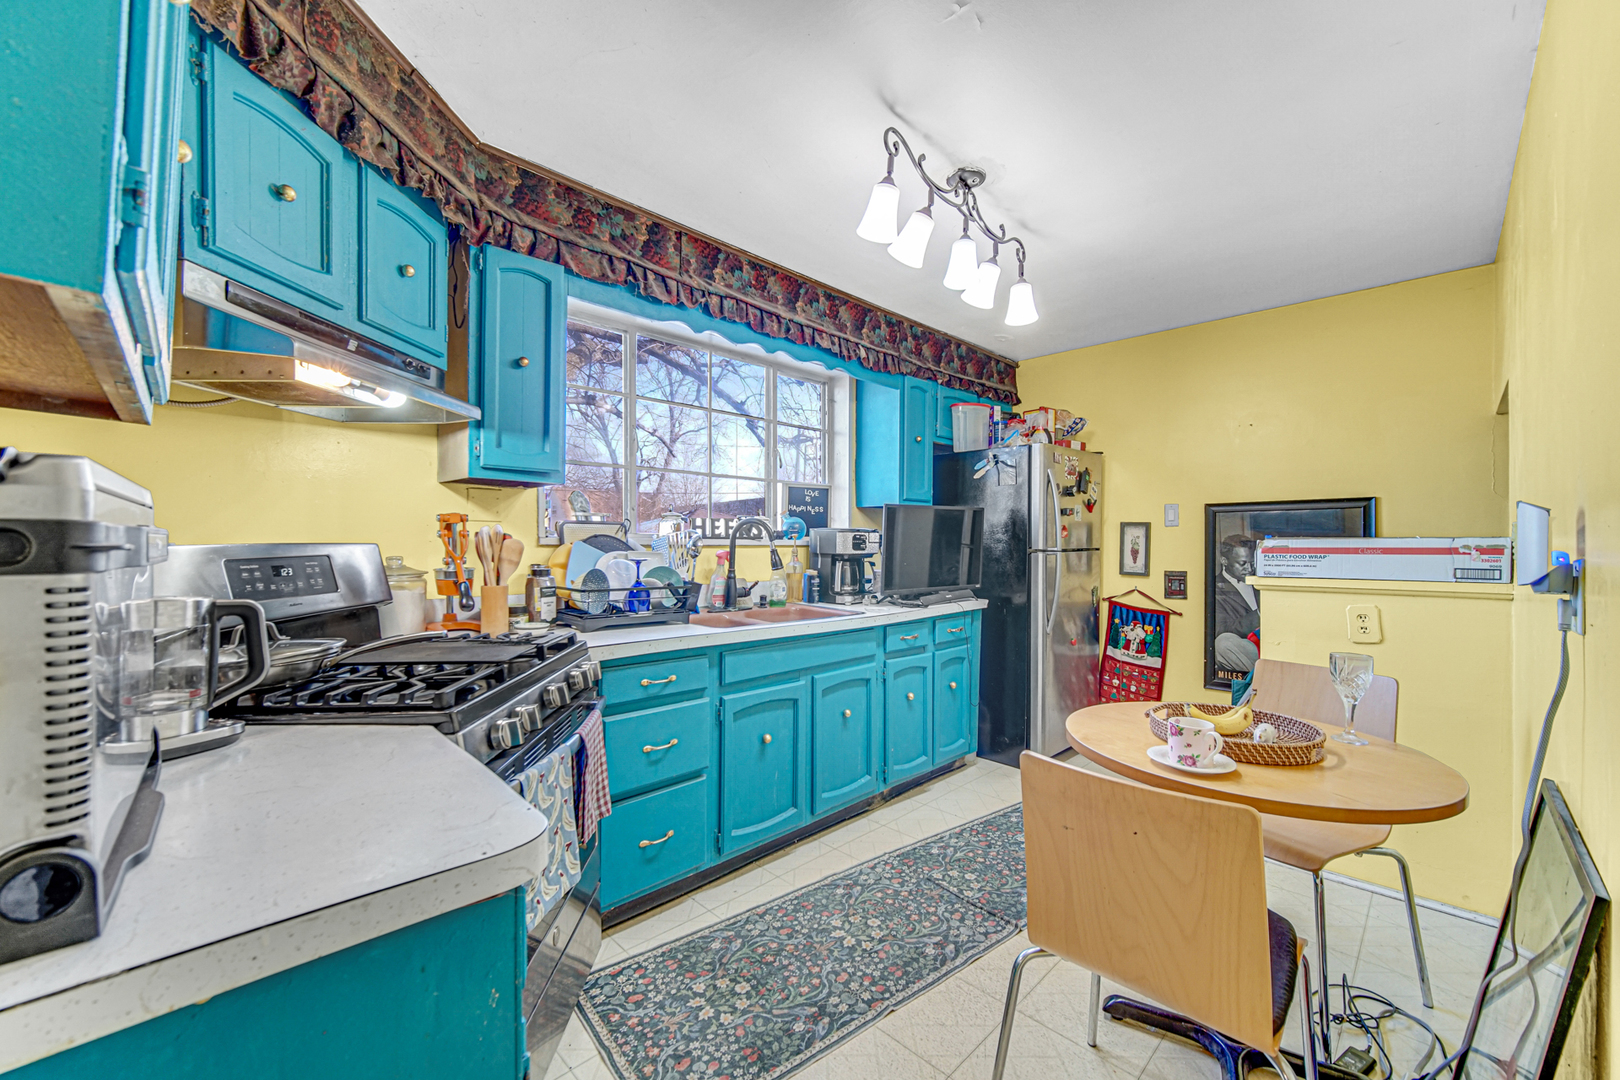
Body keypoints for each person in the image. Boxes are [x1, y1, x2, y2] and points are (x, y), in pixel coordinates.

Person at [1212, 534, 1260, 679]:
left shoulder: (1262, 580)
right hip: (1245, 649)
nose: (1249, 569)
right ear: (1224, 561)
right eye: (1243, 563)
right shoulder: (1214, 588)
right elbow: (1221, 629)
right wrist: (1258, 614)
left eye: (1252, 563)